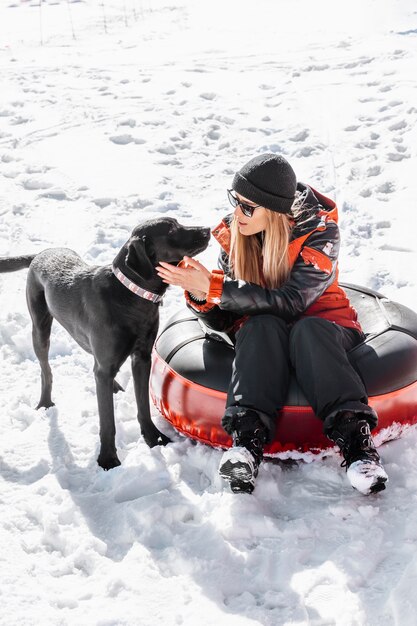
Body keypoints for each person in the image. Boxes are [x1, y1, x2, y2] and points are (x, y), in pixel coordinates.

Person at [156, 153, 388, 496]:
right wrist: (202, 296)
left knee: (307, 329)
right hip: (266, 334)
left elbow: (294, 302)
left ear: (275, 211)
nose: (238, 214)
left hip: (326, 324)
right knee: (258, 326)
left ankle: (358, 450)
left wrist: (217, 287)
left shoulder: (320, 232)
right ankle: (246, 447)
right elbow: (229, 318)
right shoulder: (234, 236)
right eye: (235, 201)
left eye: (248, 207)